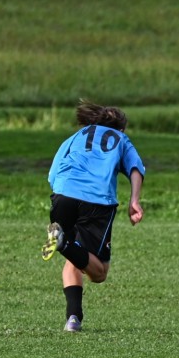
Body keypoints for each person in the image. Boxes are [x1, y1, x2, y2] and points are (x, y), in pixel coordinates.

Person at [42, 100, 145, 333]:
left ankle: (73, 319)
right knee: (99, 273)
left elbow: (52, 173)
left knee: (76, 259)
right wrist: (134, 201)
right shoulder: (121, 138)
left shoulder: (76, 137)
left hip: (62, 195)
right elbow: (135, 169)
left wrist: (63, 195)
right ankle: (63, 243)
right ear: (121, 128)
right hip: (96, 202)